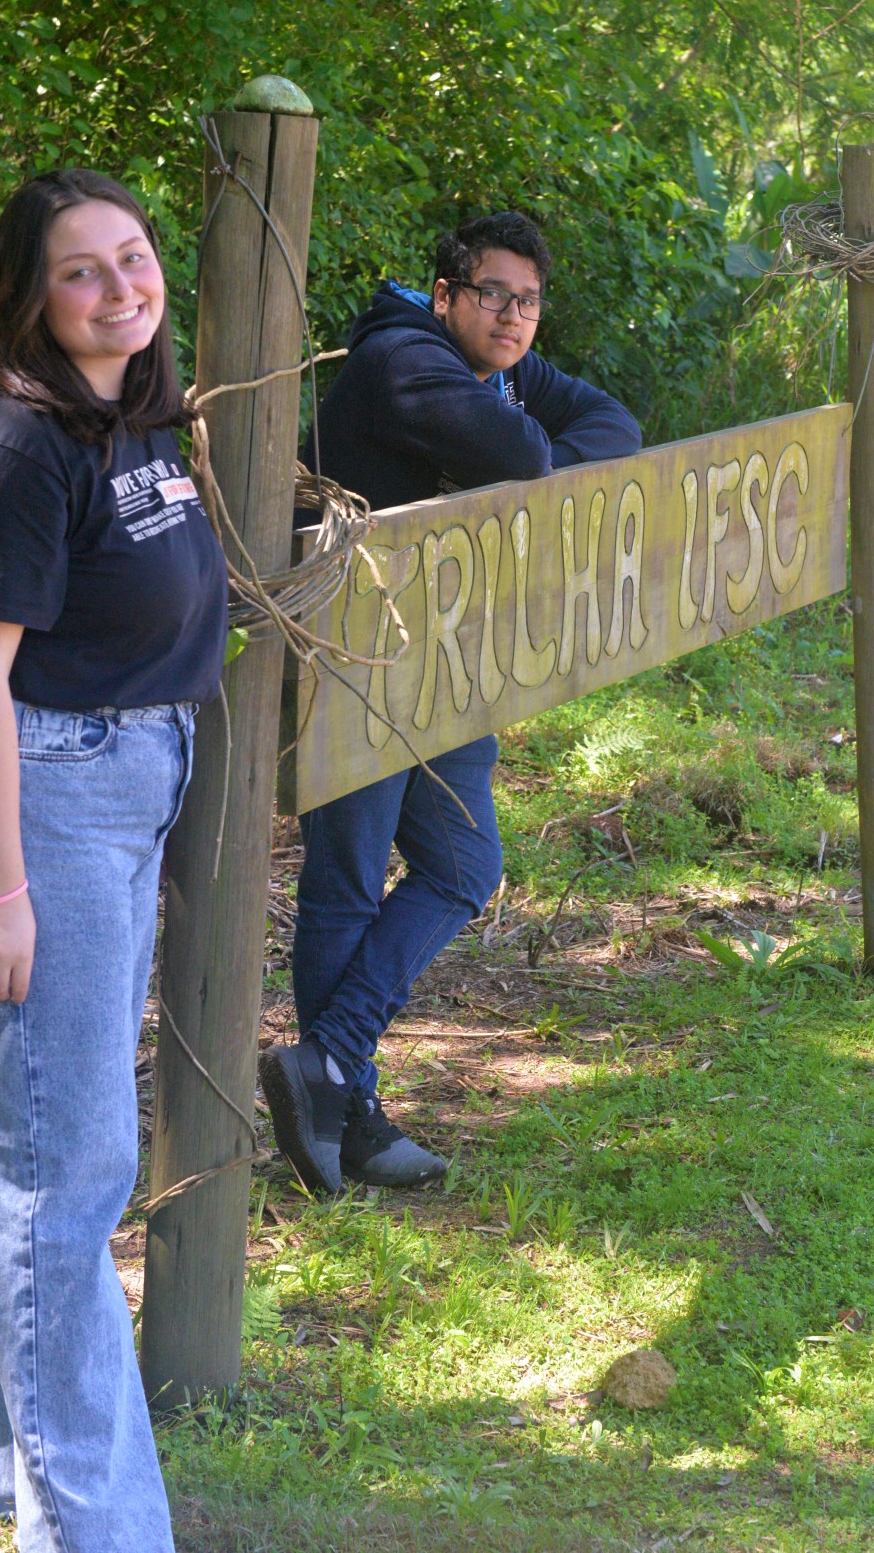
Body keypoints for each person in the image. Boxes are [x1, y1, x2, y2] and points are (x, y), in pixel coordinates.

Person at [0, 173, 228, 1552]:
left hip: (121, 789)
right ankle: (98, 1528)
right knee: (64, 1175)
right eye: (80, 272)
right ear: (28, 294)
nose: (119, 287)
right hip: (48, 803)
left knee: (18, 1151)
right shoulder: (21, 442)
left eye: (134, 256)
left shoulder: (136, 415)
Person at [260, 212, 641, 1193]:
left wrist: (531, 441)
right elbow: (519, 454)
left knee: (465, 861)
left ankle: (330, 1064)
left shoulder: (500, 363)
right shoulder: (401, 358)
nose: (513, 316)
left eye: (528, 301)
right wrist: (528, 446)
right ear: (444, 296)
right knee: (345, 882)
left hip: (444, 661)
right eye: (492, 296)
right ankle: (350, 1119)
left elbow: (611, 425)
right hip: (353, 647)